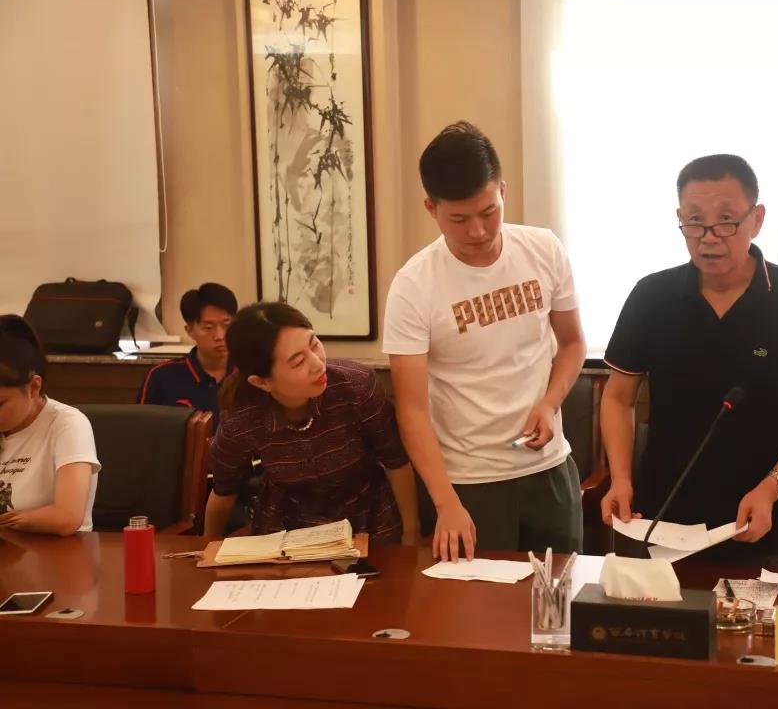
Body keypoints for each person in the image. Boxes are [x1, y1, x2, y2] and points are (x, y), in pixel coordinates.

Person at [600, 154, 778, 560]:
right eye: (695, 221)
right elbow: (617, 397)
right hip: (663, 511)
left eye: (726, 220)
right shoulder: (651, 296)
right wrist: (620, 479)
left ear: (756, 219)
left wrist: (772, 487)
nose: (709, 237)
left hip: (763, 512)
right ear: (679, 219)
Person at [384, 121, 587, 561]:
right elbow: (412, 410)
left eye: (488, 211)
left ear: (503, 192)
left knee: (560, 596)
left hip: (549, 468)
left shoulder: (543, 249)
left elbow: (572, 345)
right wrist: (445, 502)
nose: (477, 230)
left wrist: (549, 403)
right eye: (458, 219)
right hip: (469, 482)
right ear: (431, 208)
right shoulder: (413, 285)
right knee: (478, 603)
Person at [201, 302, 420, 544]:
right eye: (298, 362)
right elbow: (224, 489)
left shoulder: (357, 386)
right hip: (286, 533)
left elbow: (396, 462)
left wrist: (411, 536)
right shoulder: (243, 415)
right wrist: (207, 545)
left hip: (369, 525)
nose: (318, 363)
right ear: (262, 382)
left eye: (314, 344)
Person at [0, 315, 100, 535]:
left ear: (33, 387)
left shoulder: (68, 424)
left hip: (60, 552)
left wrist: (10, 521)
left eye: (0, 404)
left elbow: (66, 517)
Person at [136, 282, 237, 427]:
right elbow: (142, 430)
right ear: (189, 330)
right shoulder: (161, 377)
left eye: (227, 325)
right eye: (209, 328)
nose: (220, 336)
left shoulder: (250, 374)